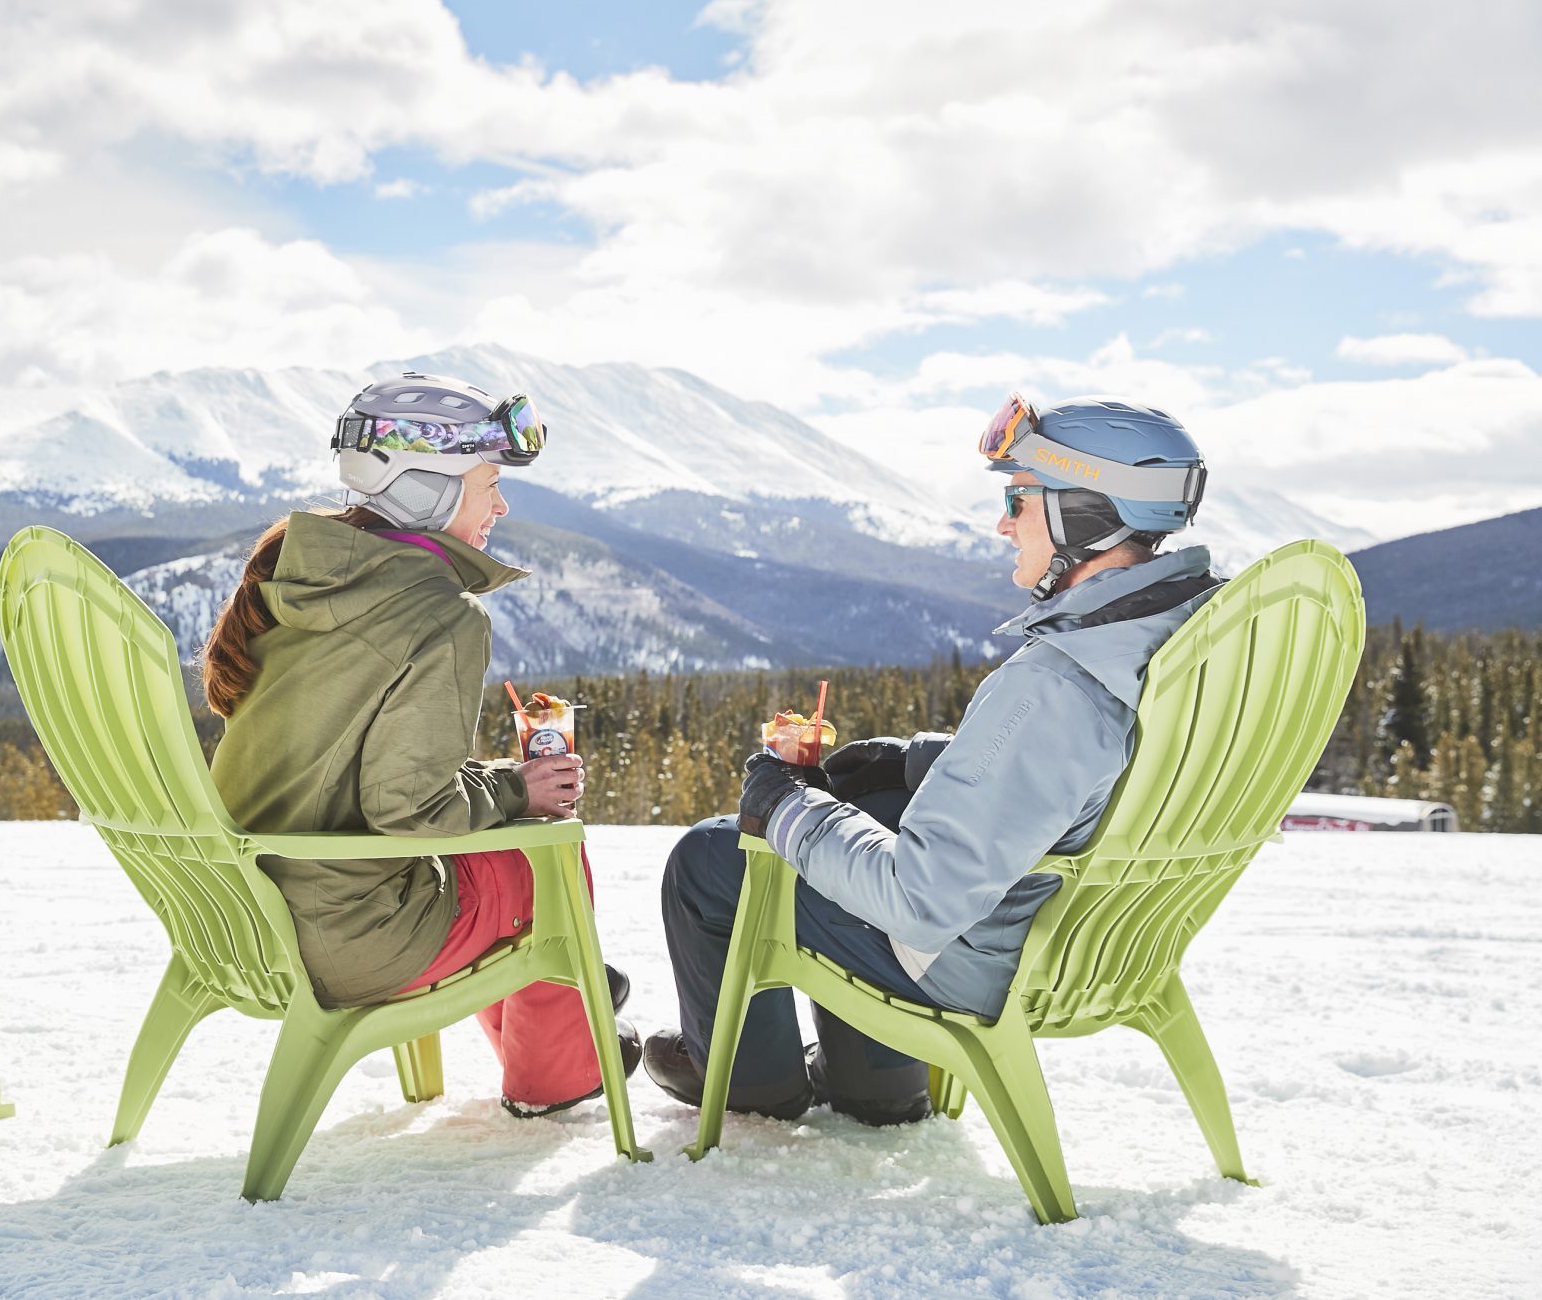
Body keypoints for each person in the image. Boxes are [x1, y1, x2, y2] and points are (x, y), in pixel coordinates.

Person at [647, 395, 1220, 1125]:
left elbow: (919, 901)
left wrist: (787, 801)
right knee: (868, 809)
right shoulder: (1169, 638)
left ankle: (749, 1080)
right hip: (1081, 924)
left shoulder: (1057, 679)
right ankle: (875, 1081)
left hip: (976, 952)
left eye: (1020, 499)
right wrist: (914, 764)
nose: (1003, 523)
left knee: (711, 854)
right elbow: (1084, 766)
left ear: (1086, 512)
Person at [203, 372, 639, 1118]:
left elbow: (351, 764)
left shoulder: (301, 580)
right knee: (549, 848)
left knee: (506, 844)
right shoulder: (440, 612)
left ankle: (565, 1010)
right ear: (426, 489)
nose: (500, 504)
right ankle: (557, 1067)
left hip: (245, 917)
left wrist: (499, 782)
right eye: (488, 483)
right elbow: (410, 810)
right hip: (349, 938)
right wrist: (515, 789)